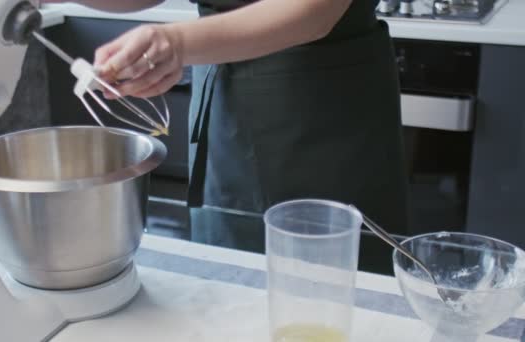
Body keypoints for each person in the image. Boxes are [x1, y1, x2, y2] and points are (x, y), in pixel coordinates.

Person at [47, 0, 410, 266]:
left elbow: (315, 10)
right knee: (231, 262)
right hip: (224, 94)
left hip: (320, 99)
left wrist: (178, 43)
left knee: (327, 274)